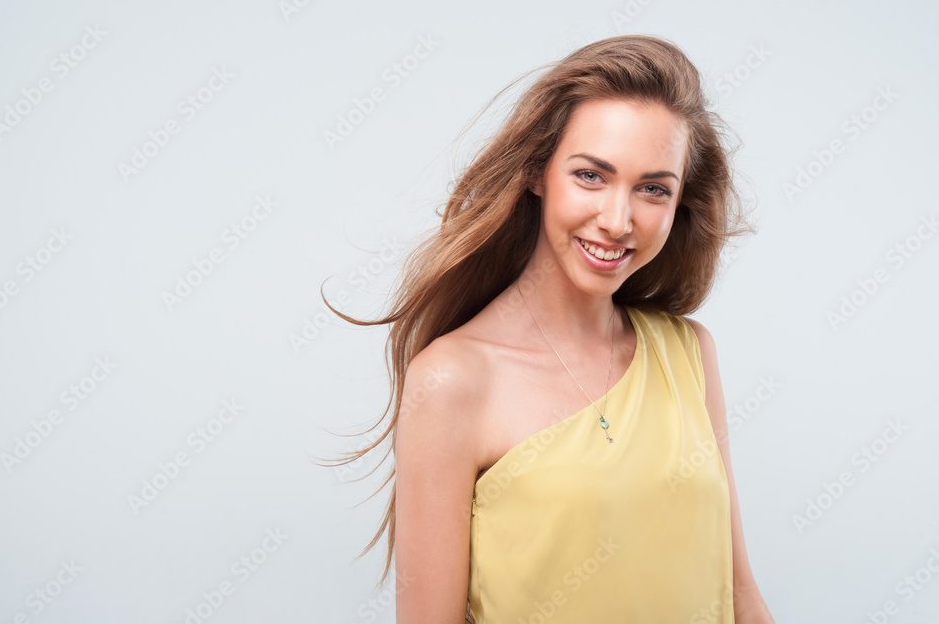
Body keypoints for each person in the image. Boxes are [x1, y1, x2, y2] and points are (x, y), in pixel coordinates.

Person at [321, 34, 776, 623]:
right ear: (539, 172)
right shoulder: (453, 379)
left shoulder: (689, 353)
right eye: (591, 176)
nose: (617, 220)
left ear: (679, 202)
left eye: (653, 189)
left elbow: (739, 594)